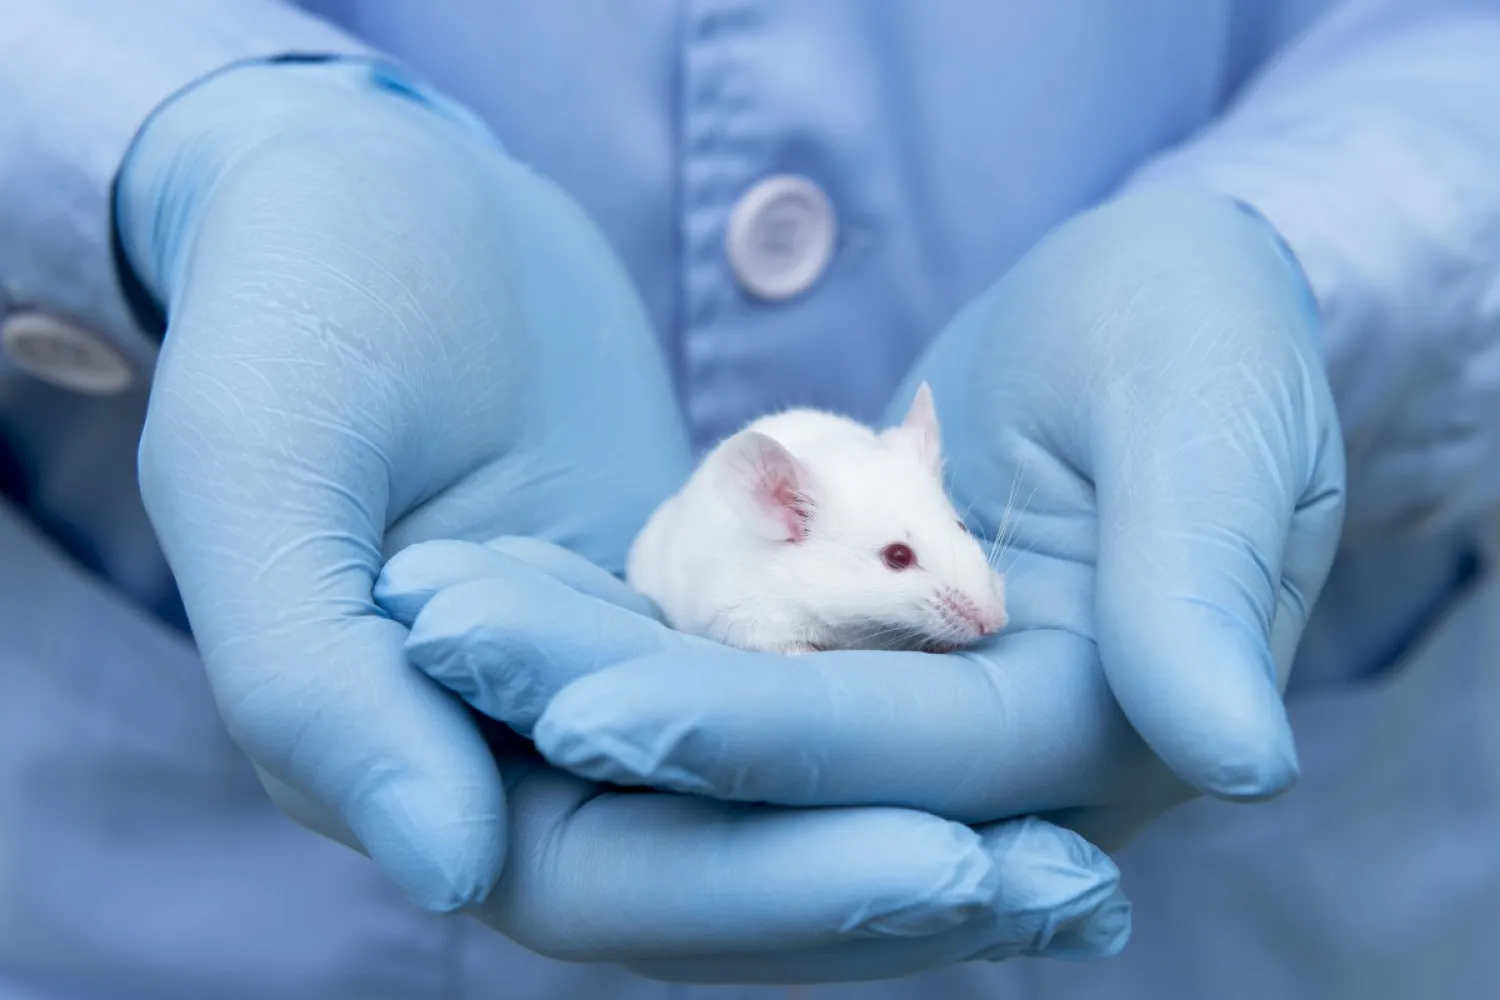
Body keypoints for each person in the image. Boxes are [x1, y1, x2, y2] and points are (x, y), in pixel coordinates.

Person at [3, 0, 1499, 996]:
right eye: (922, 556)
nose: (967, 596)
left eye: (949, 544)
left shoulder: (882, 522)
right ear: (782, 513)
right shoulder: (763, 530)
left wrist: (1317, 249)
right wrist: (197, 143)